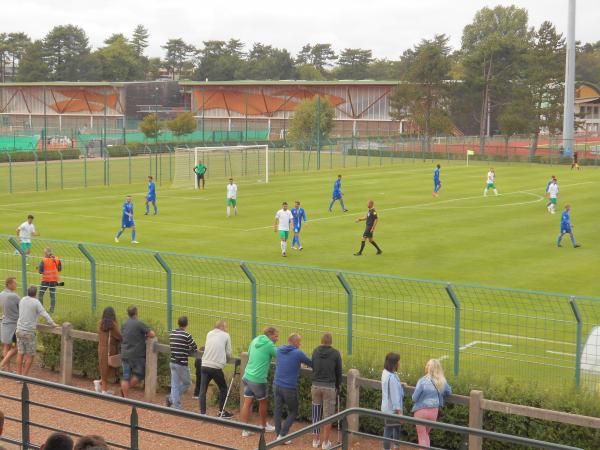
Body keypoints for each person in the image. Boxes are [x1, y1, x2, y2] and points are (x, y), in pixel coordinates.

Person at [240, 326, 279, 437]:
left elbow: (249, 352)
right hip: (258, 379)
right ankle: (263, 426)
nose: (277, 338)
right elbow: (279, 355)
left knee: (247, 403)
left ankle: (245, 429)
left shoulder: (255, 340)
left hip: (247, 376)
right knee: (263, 402)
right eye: (276, 336)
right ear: (270, 335)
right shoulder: (269, 345)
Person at [273, 333, 312, 443]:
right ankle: (282, 435)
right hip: (289, 387)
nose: (300, 344)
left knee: (277, 410)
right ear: (294, 342)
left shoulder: (279, 349)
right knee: (294, 411)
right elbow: (311, 363)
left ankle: (278, 434)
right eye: (299, 342)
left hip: (276, 384)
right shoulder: (298, 353)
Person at [15, 285, 57, 376]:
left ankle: (18, 376)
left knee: (20, 353)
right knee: (30, 355)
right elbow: (44, 314)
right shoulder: (36, 302)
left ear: (27, 292)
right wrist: (53, 324)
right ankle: (24, 376)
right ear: (36, 293)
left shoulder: (22, 300)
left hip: (19, 330)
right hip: (29, 332)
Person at [311, 332, 342, 450]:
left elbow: (313, 365)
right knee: (328, 415)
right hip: (329, 387)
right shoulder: (335, 353)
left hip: (315, 386)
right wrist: (338, 386)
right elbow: (338, 372)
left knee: (316, 413)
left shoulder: (315, 351)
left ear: (321, 341)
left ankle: (315, 440)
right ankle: (325, 442)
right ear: (331, 342)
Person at [411, 359, 452, 448]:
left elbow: (414, 398)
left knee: (421, 437)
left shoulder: (422, 381)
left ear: (428, 368)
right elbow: (449, 392)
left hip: (421, 411)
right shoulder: (442, 381)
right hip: (433, 412)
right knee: (426, 435)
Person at [199, 320, 233, 417]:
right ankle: (221, 412)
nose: (226, 329)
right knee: (223, 388)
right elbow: (229, 352)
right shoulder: (226, 335)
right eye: (225, 327)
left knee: (203, 390)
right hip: (216, 366)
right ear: (222, 327)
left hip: (204, 364)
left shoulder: (209, 333)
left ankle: (202, 413)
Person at [120, 306, 155, 398]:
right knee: (139, 374)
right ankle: (126, 388)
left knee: (126, 375)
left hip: (125, 353)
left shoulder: (124, 323)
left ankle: (125, 395)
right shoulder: (139, 323)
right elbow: (152, 334)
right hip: (136, 355)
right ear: (136, 313)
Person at [167, 316, 198, 410]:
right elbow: (195, 348)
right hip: (181, 363)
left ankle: (172, 400)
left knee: (174, 385)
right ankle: (175, 404)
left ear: (178, 323)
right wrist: (187, 349)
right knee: (187, 383)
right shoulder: (187, 335)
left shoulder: (172, 333)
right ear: (186, 324)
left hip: (172, 362)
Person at [94, 306, 121, 395]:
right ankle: (104, 391)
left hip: (101, 349)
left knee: (103, 369)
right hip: (110, 350)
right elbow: (120, 336)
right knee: (108, 370)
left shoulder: (100, 323)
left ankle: (100, 383)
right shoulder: (113, 325)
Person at [381, 352, 403, 450]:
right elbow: (394, 397)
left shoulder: (386, 373)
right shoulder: (392, 378)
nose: (400, 363)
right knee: (389, 429)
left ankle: (395, 447)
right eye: (399, 361)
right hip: (392, 410)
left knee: (395, 428)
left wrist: (401, 384)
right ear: (394, 363)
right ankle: (391, 448)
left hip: (386, 407)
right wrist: (399, 413)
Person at [0, 277, 20, 371]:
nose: (16, 285)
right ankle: (3, 364)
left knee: (6, 346)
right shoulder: (14, 296)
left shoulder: (1, 294)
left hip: (4, 322)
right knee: (17, 347)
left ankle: (8, 370)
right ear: (9, 284)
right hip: (14, 324)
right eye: (15, 283)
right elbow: (21, 309)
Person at [38, 247, 62, 313]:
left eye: (44, 253)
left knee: (40, 294)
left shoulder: (43, 260)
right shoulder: (57, 259)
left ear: (46, 253)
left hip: (45, 280)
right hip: (54, 280)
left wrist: (39, 268)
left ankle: (41, 310)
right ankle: (52, 310)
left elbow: (40, 271)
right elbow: (59, 269)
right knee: (52, 295)